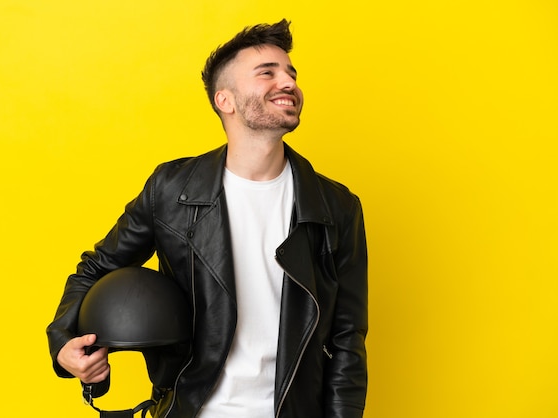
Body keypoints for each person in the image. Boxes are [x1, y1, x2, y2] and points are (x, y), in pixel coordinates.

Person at [47, 19, 368, 418]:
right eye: (267, 72)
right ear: (225, 101)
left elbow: (346, 338)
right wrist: (64, 343)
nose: (287, 82)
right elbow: (94, 269)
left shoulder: (335, 207)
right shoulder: (171, 190)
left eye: (290, 73)